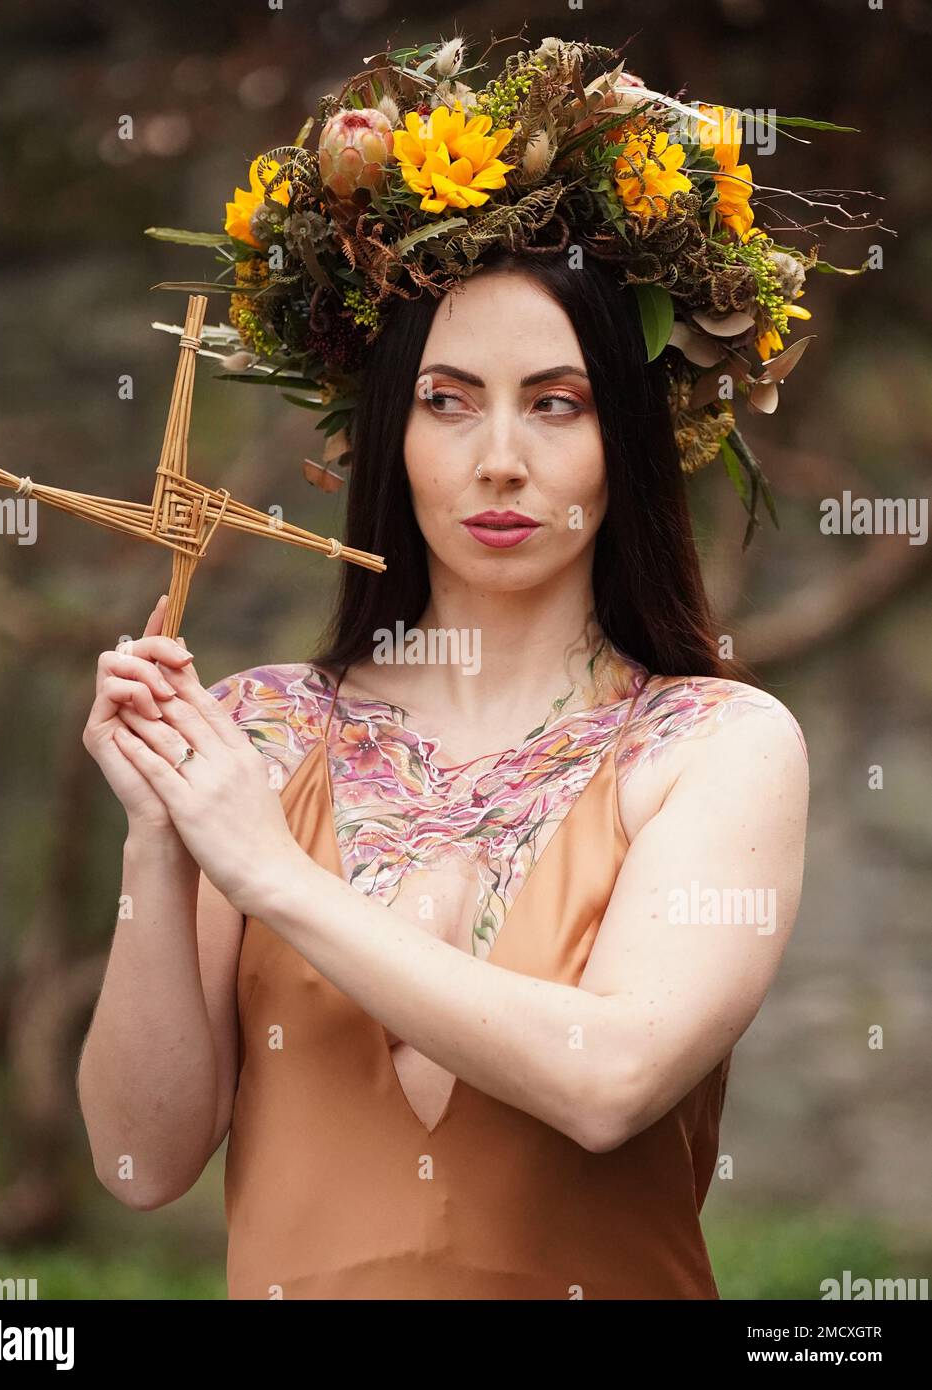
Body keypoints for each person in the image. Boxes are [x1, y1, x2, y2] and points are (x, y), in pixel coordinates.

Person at [76, 247, 809, 1299]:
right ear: (391, 433)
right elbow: (141, 1163)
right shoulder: (261, 732)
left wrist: (271, 873)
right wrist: (157, 843)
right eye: (446, 401)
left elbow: (610, 1080)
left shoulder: (715, 742)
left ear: (628, 440)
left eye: (558, 404)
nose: (500, 460)